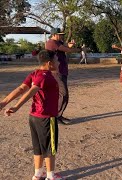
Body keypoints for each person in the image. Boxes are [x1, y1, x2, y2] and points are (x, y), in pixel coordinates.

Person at [0, 50, 63, 180]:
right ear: (50, 63)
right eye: (57, 60)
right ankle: (51, 176)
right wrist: (16, 107)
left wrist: (4, 102)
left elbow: (21, 88)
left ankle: (38, 173)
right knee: (50, 148)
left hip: (34, 117)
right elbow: (31, 91)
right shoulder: (46, 77)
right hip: (46, 118)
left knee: (38, 147)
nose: (59, 62)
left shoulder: (35, 74)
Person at [45, 27, 81, 124]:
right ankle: (57, 116)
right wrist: (79, 49)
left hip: (61, 71)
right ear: (54, 35)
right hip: (57, 72)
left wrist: (70, 45)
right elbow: (67, 50)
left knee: (60, 94)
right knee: (64, 94)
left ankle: (56, 115)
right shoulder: (52, 43)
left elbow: (65, 47)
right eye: (60, 34)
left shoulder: (57, 43)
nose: (61, 36)